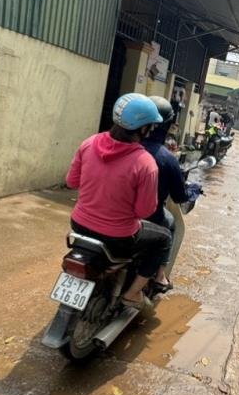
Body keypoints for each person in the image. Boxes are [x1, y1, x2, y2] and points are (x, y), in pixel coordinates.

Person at [65, 93, 172, 307]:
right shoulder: (145, 163)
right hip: (119, 237)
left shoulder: (88, 143)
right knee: (164, 238)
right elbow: (144, 211)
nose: (151, 130)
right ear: (143, 128)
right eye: (150, 126)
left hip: (78, 226)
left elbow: (71, 181)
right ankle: (132, 293)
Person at [141, 97, 198, 291]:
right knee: (169, 227)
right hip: (138, 218)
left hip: (94, 213)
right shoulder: (164, 158)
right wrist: (192, 192)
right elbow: (180, 197)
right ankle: (159, 276)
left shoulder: (111, 145)